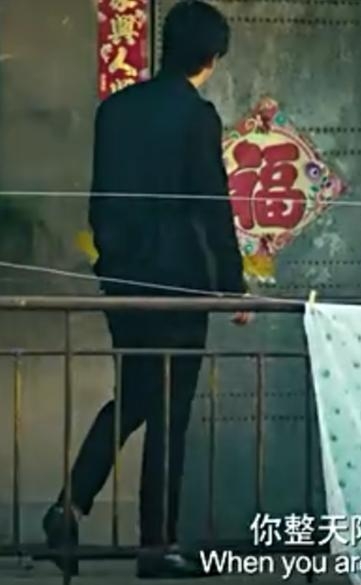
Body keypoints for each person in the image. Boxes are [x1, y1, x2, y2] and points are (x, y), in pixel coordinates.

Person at [42, 1, 250, 578]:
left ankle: (68, 506)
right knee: (168, 415)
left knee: (134, 396)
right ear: (211, 57)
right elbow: (211, 206)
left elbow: (100, 201)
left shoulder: (116, 110)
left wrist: (113, 265)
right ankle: (156, 547)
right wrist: (232, 286)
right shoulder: (196, 116)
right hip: (178, 290)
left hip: (125, 285)